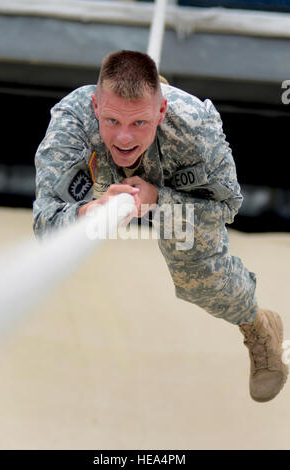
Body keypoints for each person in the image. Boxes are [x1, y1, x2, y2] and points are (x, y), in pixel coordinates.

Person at [33, 50, 288, 402]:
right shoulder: (71, 123)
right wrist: (88, 213)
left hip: (173, 182)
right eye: (112, 120)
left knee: (198, 280)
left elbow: (226, 208)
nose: (123, 138)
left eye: (138, 122)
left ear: (161, 111)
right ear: (95, 107)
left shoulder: (195, 126)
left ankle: (259, 326)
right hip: (103, 181)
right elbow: (45, 222)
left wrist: (159, 201)